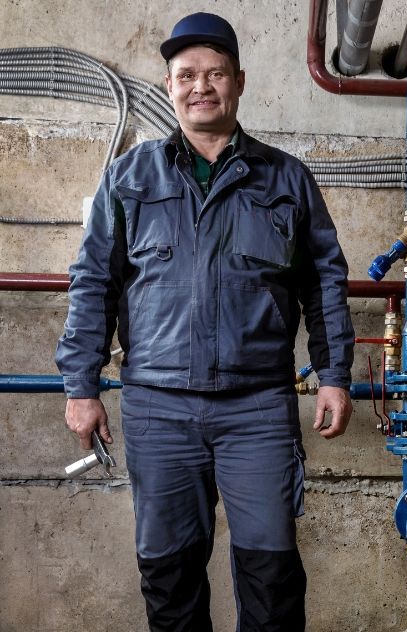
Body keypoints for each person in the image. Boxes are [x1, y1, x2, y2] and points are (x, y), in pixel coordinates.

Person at [55, 12, 354, 630]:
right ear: (169, 86)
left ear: (238, 82)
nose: (201, 86)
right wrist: (80, 385)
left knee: (272, 576)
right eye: (186, 74)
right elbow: (94, 282)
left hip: (257, 410)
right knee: (169, 574)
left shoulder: (286, 179)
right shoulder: (129, 177)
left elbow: (322, 280)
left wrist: (334, 372)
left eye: (215, 73)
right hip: (158, 407)